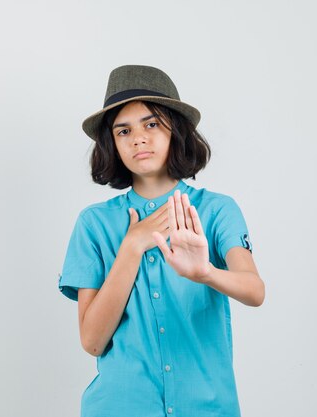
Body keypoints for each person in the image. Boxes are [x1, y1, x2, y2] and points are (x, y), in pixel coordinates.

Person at [58, 65, 265, 417]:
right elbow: (92, 341)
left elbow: (254, 291)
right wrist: (131, 247)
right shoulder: (94, 224)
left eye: (151, 124)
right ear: (113, 143)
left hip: (207, 408)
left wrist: (206, 274)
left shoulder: (216, 210)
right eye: (124, 130)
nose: (138, 138)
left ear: (176, 130)